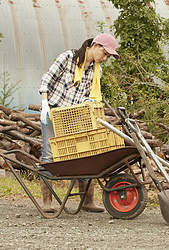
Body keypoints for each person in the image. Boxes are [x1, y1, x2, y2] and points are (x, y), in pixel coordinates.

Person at [38, 33, 120, 213]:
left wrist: (87, 101)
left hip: (72, 116)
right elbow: (46, 80)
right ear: (95, 45)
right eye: (104, 53)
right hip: (53, 112)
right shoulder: (68, 58)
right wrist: (44, 104)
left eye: (107, 56)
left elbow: (83, 94)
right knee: (49, 155)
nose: (105, 58)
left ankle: (87, 201)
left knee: (83, 153)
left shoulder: (94, 69)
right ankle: (47, 202)